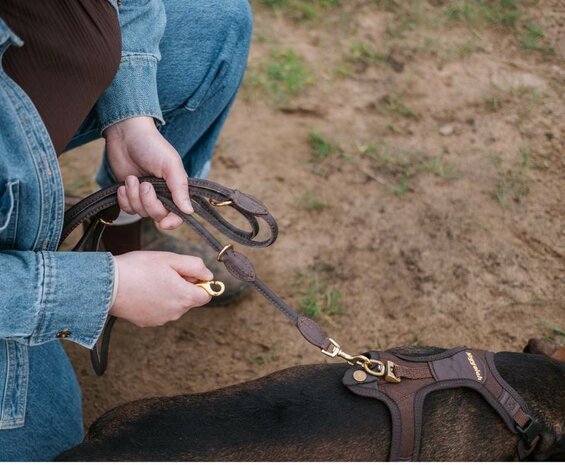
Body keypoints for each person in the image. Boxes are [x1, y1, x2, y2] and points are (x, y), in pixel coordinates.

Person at [0, 0, 252, 460]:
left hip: (17, 143)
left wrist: (130, 117)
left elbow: (132, 3)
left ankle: (128, 229)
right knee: (51, 444)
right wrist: (102, 288)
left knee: (216, 19)